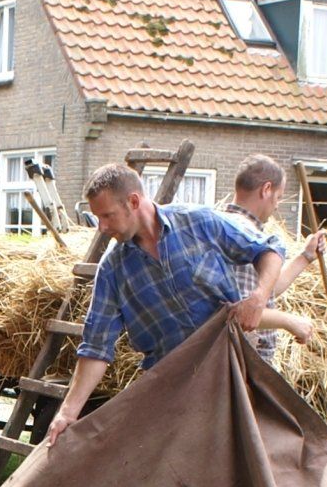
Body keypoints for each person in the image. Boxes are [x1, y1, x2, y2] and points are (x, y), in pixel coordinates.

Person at [47, 164, 283, 441]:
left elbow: (269, 249)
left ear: (134, 201)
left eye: (107, 215)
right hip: (171, 389)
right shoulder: (112, 270)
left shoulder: (197, 222)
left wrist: (258, 297)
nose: (102, 227)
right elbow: (96, 347)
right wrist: (68, 412)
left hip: (230, 371)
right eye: (98, 217)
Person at [224, 155, 327, 363]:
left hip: (243, 361)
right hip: (240, 364)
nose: (277, 206)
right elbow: (238, 311)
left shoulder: (229, 227)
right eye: (278, 197)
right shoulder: (241, 234)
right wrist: (289, 321)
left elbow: (266, 291)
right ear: (266, 190)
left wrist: (306, 256)